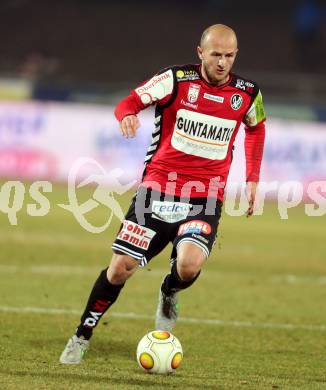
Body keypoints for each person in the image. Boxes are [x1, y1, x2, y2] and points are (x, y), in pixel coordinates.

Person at [59, 23, 266, 364]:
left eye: (229, 56)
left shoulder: (247, 93)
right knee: (120, 268)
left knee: (188, 266)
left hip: (204, 196)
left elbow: (256, 129)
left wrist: (253, 179)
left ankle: (169, 290)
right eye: (216, 55)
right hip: (157, 190)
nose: (222, 63)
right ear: (201, 53)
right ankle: (82, 335)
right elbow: (131, 100)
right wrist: (126, 114)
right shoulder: (175, 79)